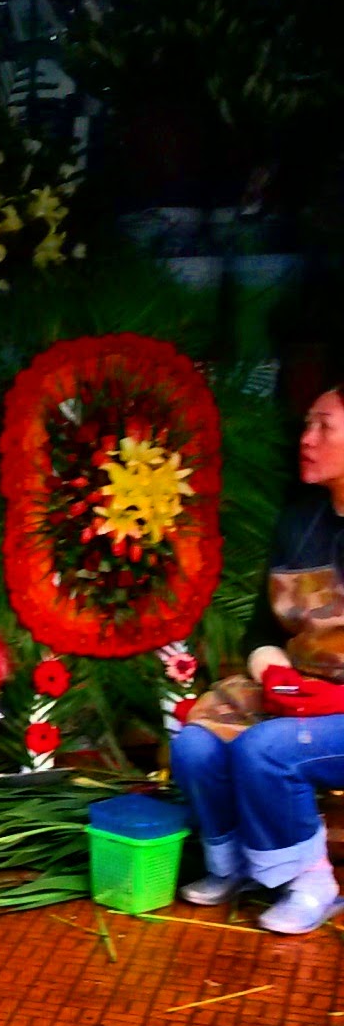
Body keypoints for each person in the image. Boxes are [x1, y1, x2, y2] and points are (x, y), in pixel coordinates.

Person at [170, 384, 344, 934]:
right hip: (300, 691)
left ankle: (313, 883)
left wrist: (332, 699)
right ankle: (235, 865)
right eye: (306, 424)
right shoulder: (299, 522)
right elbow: (261, 633)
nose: (306, 438)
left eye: (324, 426)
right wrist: (278, 677)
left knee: (266, 750)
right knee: (195, 744)